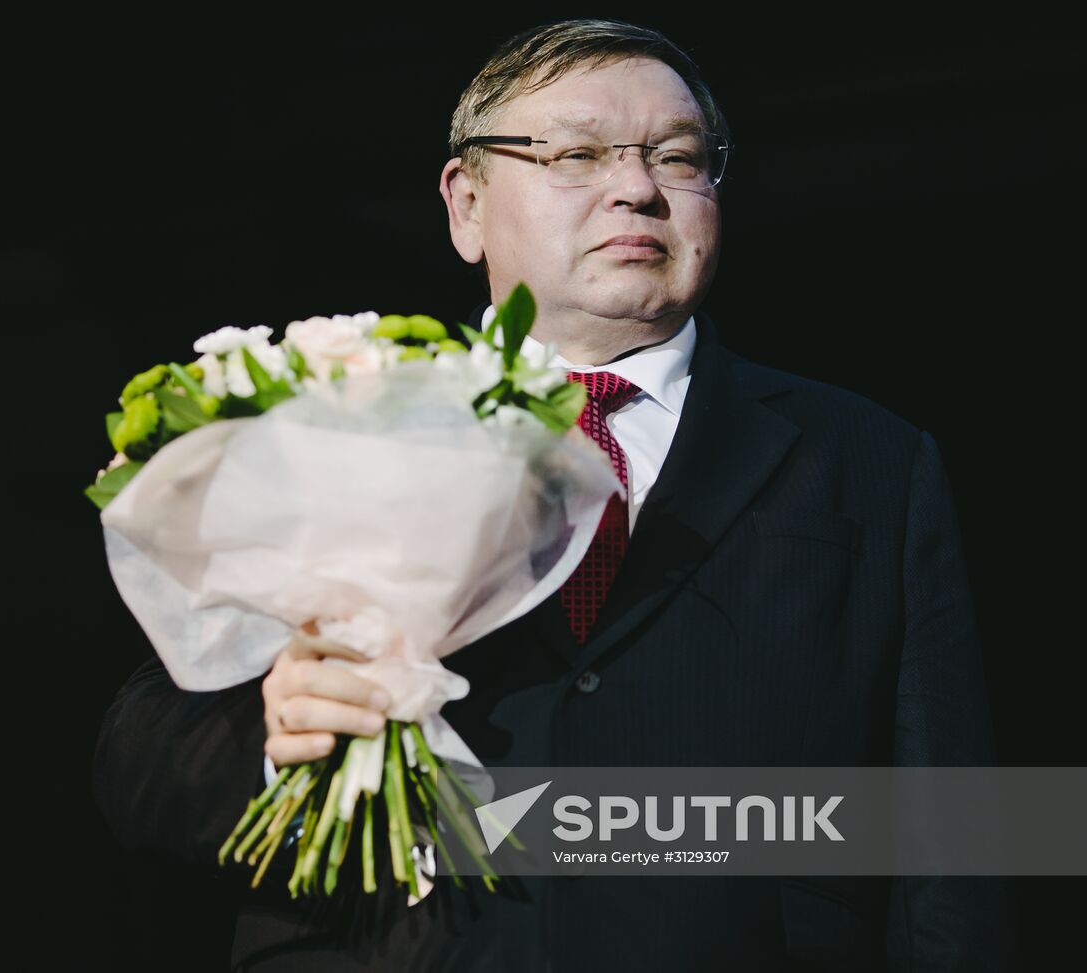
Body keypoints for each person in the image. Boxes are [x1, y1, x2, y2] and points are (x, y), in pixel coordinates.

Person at [93, 18, 1014, 971]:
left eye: (679, 156)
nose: (637, 187)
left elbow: (952, 839)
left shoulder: (866, 458)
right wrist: (273, 726)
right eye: (576, 152)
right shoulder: (337, 416)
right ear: (466, 205)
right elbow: (140, 757)